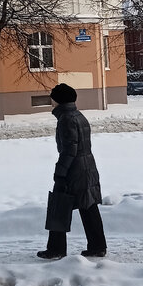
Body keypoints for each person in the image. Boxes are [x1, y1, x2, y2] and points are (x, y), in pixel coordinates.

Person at [38, 83, 107, 261]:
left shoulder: (66, 119)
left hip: (74, 170)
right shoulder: (78, 115)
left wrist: (60, 173)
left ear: (58, 100)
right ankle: (98, 246)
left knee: (59, 206)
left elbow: (69, 149)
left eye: (52, 97)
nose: (51, 101)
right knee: (88, 207)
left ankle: (56, 249)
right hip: (87, 167)